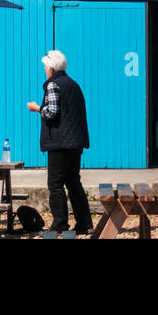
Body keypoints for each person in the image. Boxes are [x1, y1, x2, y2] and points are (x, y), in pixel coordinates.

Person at [27, 50, 92, 234]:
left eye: (46, 67)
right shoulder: (74, 85)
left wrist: (37, 108)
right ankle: (85, 224)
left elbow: (51, 112)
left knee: (55, 185)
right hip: (75, 142)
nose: (45, 70)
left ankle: (60, 224)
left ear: (52, 68)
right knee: (73, 183)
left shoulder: (53, 85)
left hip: (59, 143)